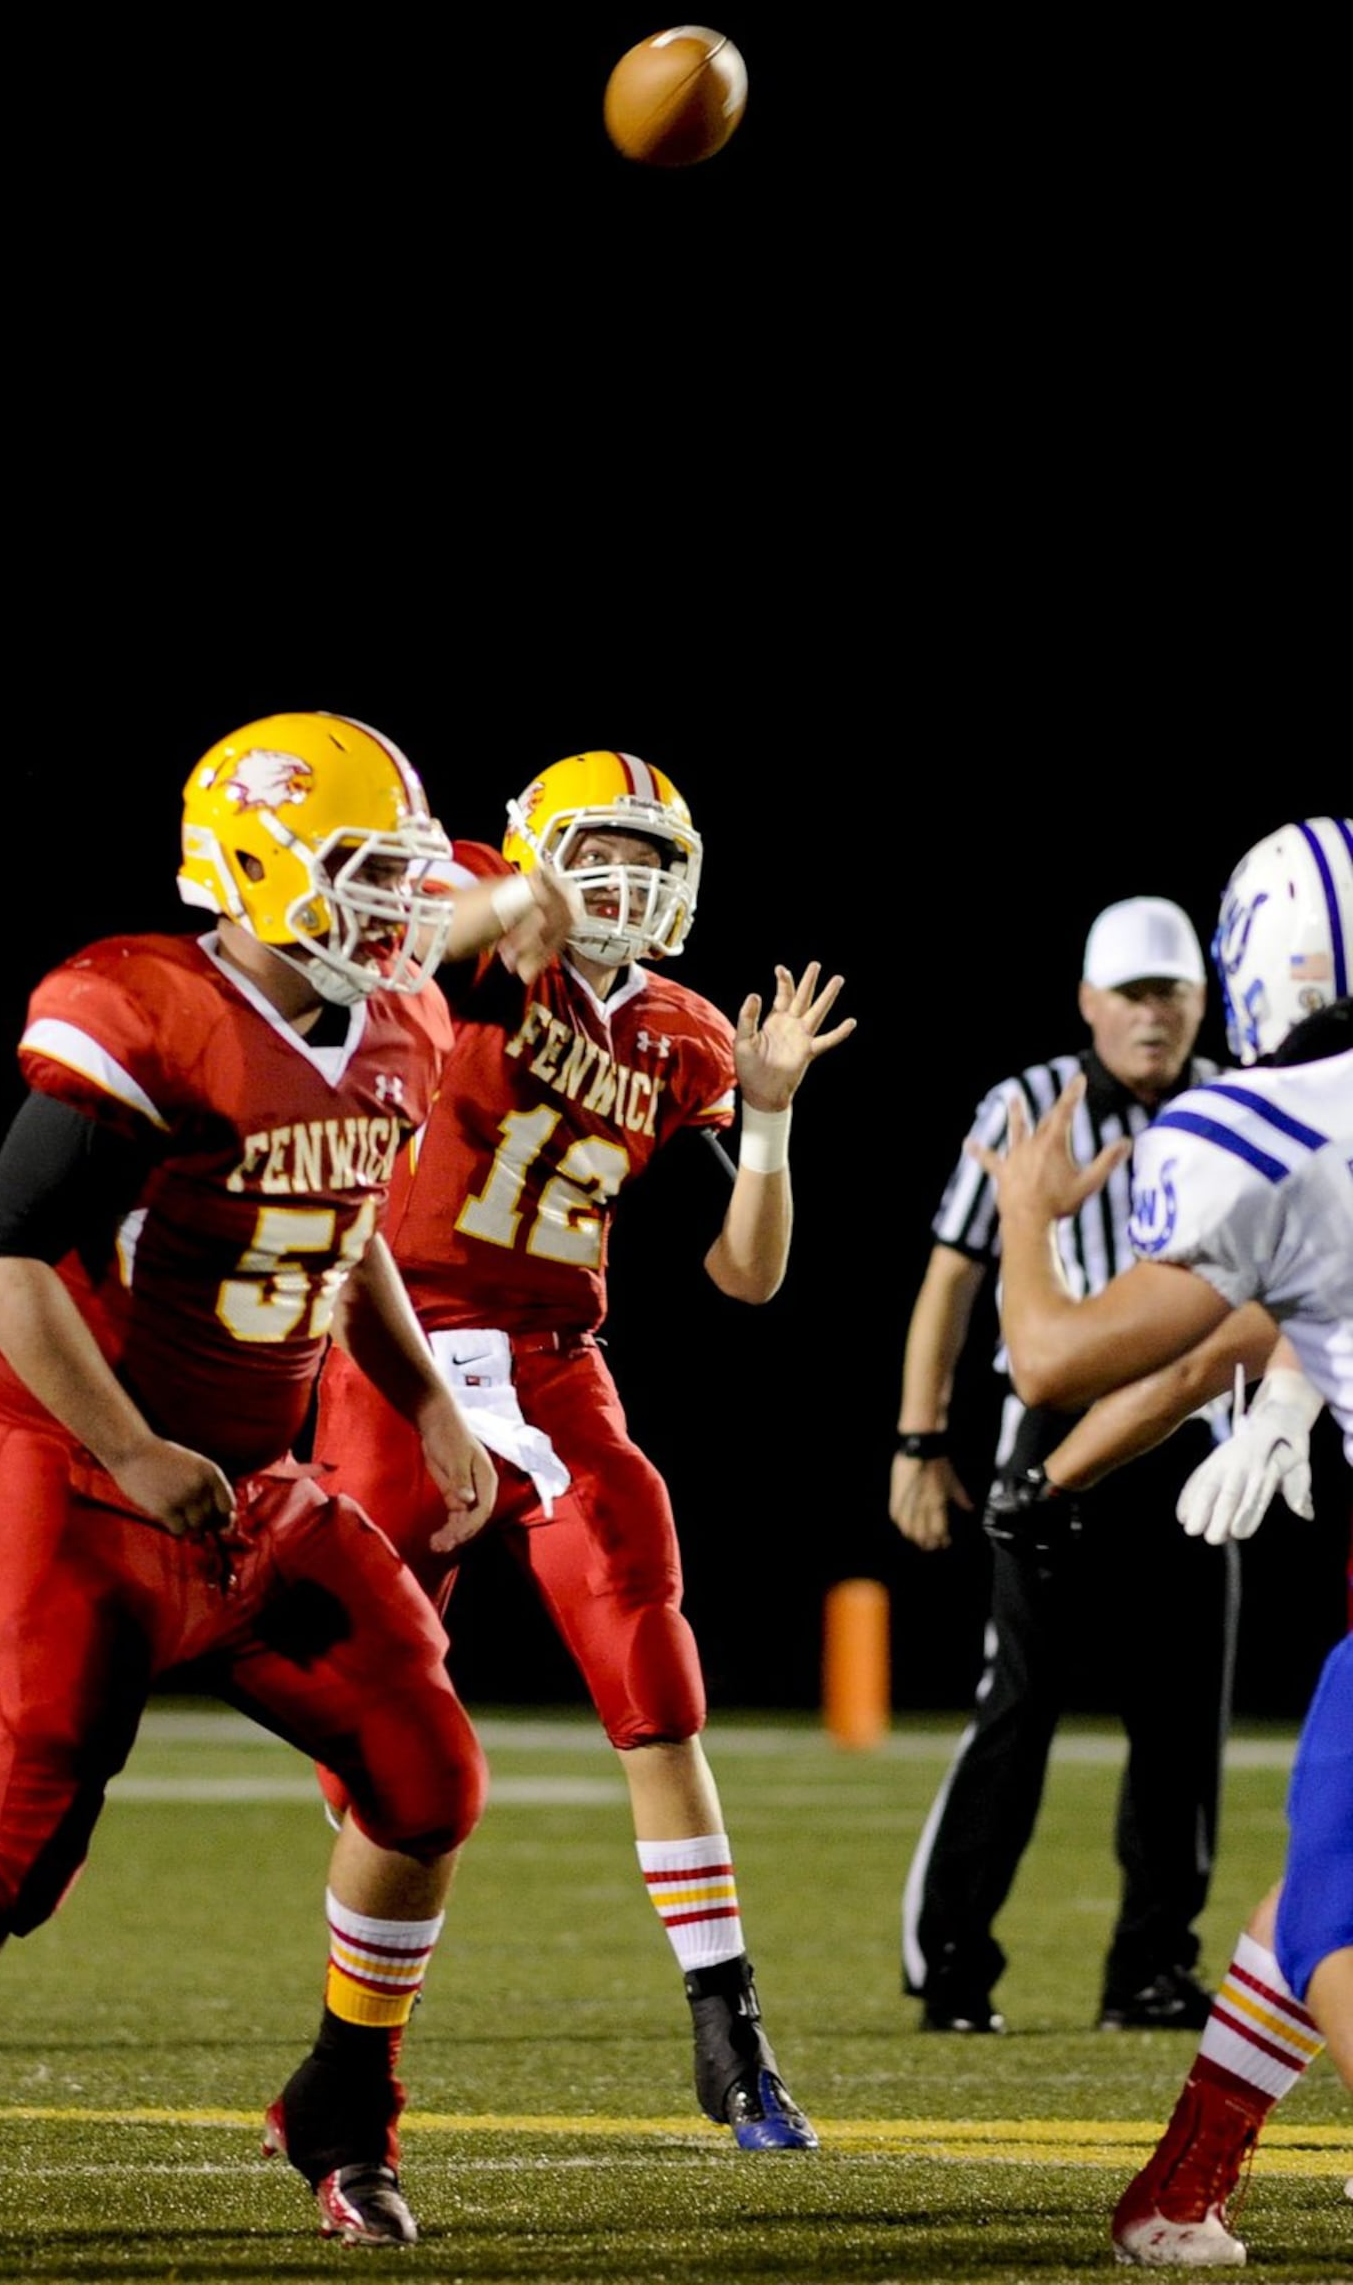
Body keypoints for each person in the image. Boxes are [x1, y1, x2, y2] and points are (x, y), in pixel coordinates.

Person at [0, 711, 584, 2259]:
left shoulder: (393, 1020)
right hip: (71, 1475)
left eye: (407, 879)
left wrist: (424, 1399)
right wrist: (137, 1449)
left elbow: (337, 1241)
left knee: (428, 1776)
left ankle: (342, 2105)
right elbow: (0, 1256)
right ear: (260, 866)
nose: (398, 911)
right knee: (18, 1826)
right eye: (363, 874)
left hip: (256, 1488)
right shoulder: (147, 1008)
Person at [309, 749, 856, 2150]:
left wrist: (777, 1111)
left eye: (644, 857)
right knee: (378, 1739)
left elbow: (749, 1275)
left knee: (652, 1667)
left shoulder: (684, 1033)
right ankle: (350, 2064)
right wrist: (503, 909)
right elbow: (399, 925)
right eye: (590, 851)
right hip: (400, 1354)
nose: (618, 880)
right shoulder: (492, 936)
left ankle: (731, 2035)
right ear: (536, 852)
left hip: (555, 1366)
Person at [962, 814, 1351, 2267]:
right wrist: (1289, 1398)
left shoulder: (1262, 1129)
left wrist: (1024, 1218)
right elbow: (1222, 1356)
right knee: (1312, 1890)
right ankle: (1180, 2186)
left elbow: (1064, 1350)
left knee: (1337, 1913)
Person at [891, 894, 1241, 2035]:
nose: (1152, 1014)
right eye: (1132, 993)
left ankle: (1149, 1966)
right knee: (1021, 1701)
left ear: (1202, 997)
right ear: (1090, 1001)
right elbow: (950, 1277)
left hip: (1195, 1435)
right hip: (1055, 1421)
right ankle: (952, 1960)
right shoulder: (1028, 1104)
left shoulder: (1241, 1102)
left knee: (1183, 1716)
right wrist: (919, 1438)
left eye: (1170, 991)